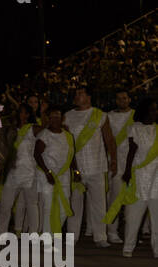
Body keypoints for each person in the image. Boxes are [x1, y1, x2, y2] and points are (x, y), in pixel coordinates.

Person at [107, 97, 158, 258]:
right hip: (139, 176)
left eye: (156, 110)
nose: (155, 113)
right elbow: (131, 151)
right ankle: (128, 247)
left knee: (157, 217)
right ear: (144, 111)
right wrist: (127, 172)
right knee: (133, 215)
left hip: (157, 176)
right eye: (152, 109)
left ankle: (157, 249)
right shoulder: (134, 128)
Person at [64, 87, 114, 247]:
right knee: (75, 203)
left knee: (99, 203)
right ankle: (72, 237)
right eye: (76, 94)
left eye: (81, 93)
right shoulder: (68, 116)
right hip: (76, 166)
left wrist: (114, 161)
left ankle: (100, 237)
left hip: (97, 166)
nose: (77, 96)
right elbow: (64, 141)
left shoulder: (100, 115)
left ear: (89, 97)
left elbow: (109, 140)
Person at [0, 102, 40, 235]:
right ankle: (1, 232)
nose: (23, 115)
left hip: (29, 172)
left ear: (30, 114)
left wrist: (42, 113)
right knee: (5, 205)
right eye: (21, 112)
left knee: (32, 205)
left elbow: (47, 129)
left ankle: (33, 233)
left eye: (26, 112)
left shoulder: (32, 128)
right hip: (13, 172)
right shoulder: (10, 129)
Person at [34, 106, 75, 234]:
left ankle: (53, 233)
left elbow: (71, 155)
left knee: (64, 207)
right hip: (47, 175)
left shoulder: (68, 136)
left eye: (57, 117)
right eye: (51, 117)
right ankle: (47, 237)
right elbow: (37, 154)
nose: (54, 120)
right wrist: (47, 172)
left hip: (64, 174)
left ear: (62, 118)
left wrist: (76, 171)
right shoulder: (44, 135)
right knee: (48, 207)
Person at [105, 89, 135, 244]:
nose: (121, 101)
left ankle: (131, 232)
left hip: (133, 165)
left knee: (131, 199)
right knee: (115, 198)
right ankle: (112, 231)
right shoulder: (109, 116)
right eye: (118, 98)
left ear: (129, 99)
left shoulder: (135, 116)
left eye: (124, 98)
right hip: (115, 163)